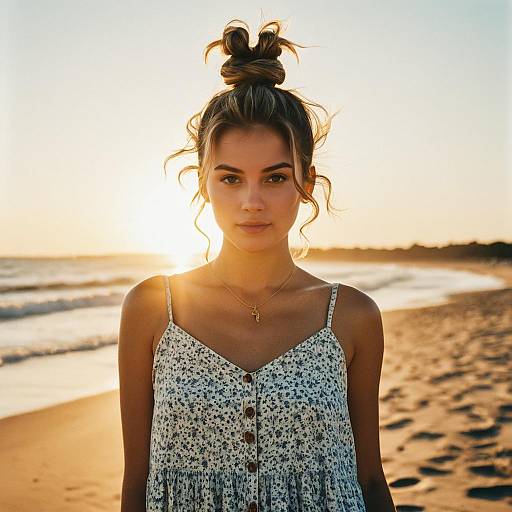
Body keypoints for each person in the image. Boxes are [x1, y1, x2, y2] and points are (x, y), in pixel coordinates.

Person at [118, 18, 396, 512]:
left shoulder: (351, 317)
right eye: (230, 179)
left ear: (307, 182)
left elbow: (371, 480)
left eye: (274, 177)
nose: (251, 202)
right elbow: (137, 484)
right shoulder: (151, 309)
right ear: (203, 182)